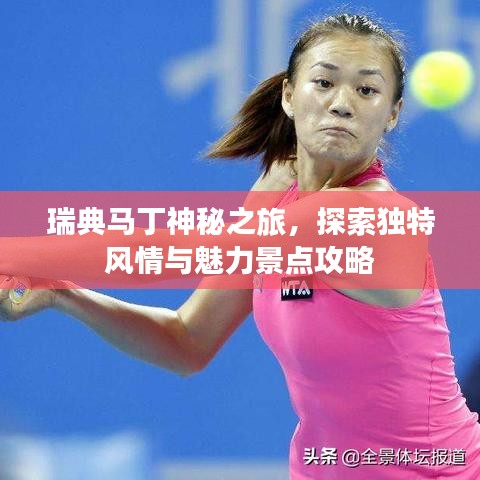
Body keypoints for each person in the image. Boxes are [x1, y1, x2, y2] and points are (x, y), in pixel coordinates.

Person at [1, 12, 479, 479]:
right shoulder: (279, 186)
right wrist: (62, 293)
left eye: (367, 90)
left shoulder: (374, 216)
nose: (342, 103)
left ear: (393, 113)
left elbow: (179, 251)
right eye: (324, 83)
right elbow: (187, 341)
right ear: (289, 95)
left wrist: (13, 252)